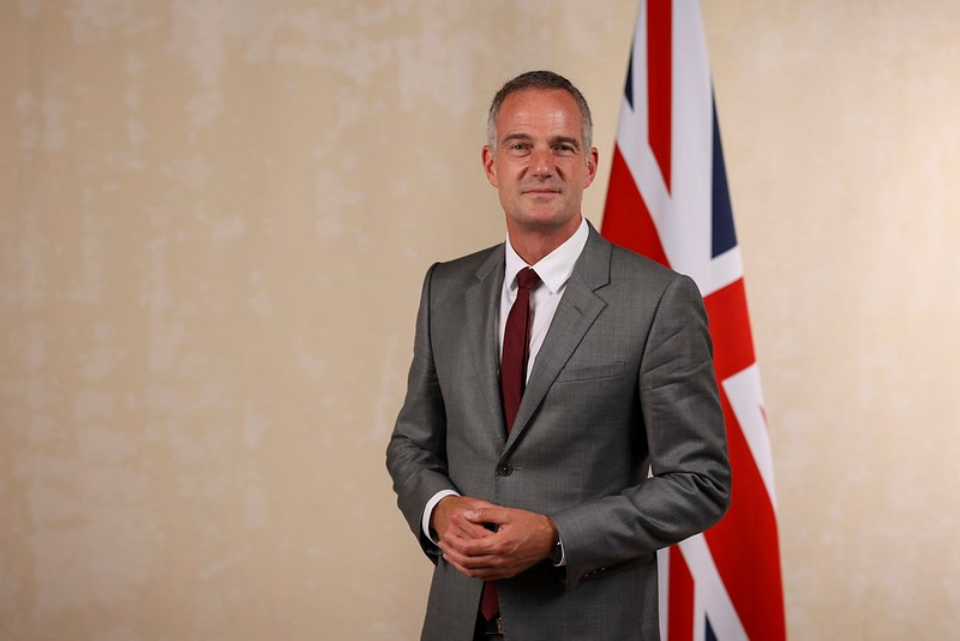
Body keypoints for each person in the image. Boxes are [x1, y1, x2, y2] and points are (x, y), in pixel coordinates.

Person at [386, 70, 731, 641]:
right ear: (492, 164)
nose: (541, 164)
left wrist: (555, 534)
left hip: (591, 622)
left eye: (562, 147)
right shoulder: (443, 289)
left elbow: (700, 481)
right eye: (520, 145)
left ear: (589, 165)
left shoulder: (659, 300)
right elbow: (411, 445)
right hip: (457, 620)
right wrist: (440, 510)